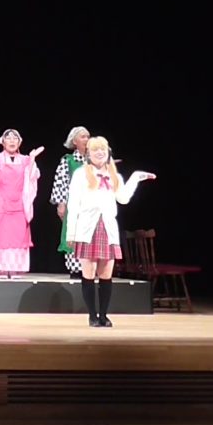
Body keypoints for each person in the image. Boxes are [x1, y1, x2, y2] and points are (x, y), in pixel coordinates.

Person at [65, 136, 154, 327]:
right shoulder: (81, 174)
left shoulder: (114, 176)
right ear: (89, 154)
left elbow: (123, 198)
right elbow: (73, 205)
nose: (99, 153)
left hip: (108, 229)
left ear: (108, 153)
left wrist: (135, 178)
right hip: (87, 229)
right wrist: (71, 233)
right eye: (95, 150)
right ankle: (92, 316)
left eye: (103, 150)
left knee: (106, 275)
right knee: (88, 274)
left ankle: (103, 315)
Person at [0, 129, 43, 279]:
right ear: (3, 142)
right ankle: (3, 268)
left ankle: (16, 269)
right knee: (3, 237)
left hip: (19, 204)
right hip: (1, 203)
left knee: (19, 236)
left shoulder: (25, 160)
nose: (12, 141)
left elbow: (33, 177)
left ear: (19, 142)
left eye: (15, 138)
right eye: (9, 138)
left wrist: (32, 159)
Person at [50, 126, 90, 278]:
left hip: (92, 207)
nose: (86, 139)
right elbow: (60, 183)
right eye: (83, 137)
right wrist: (61, 203)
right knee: (73, 234)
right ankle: (76, 269)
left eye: (88, 136)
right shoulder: (68, 161)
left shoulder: (95, 161)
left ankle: (90, 268)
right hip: (74, 207)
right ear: (74, 141)